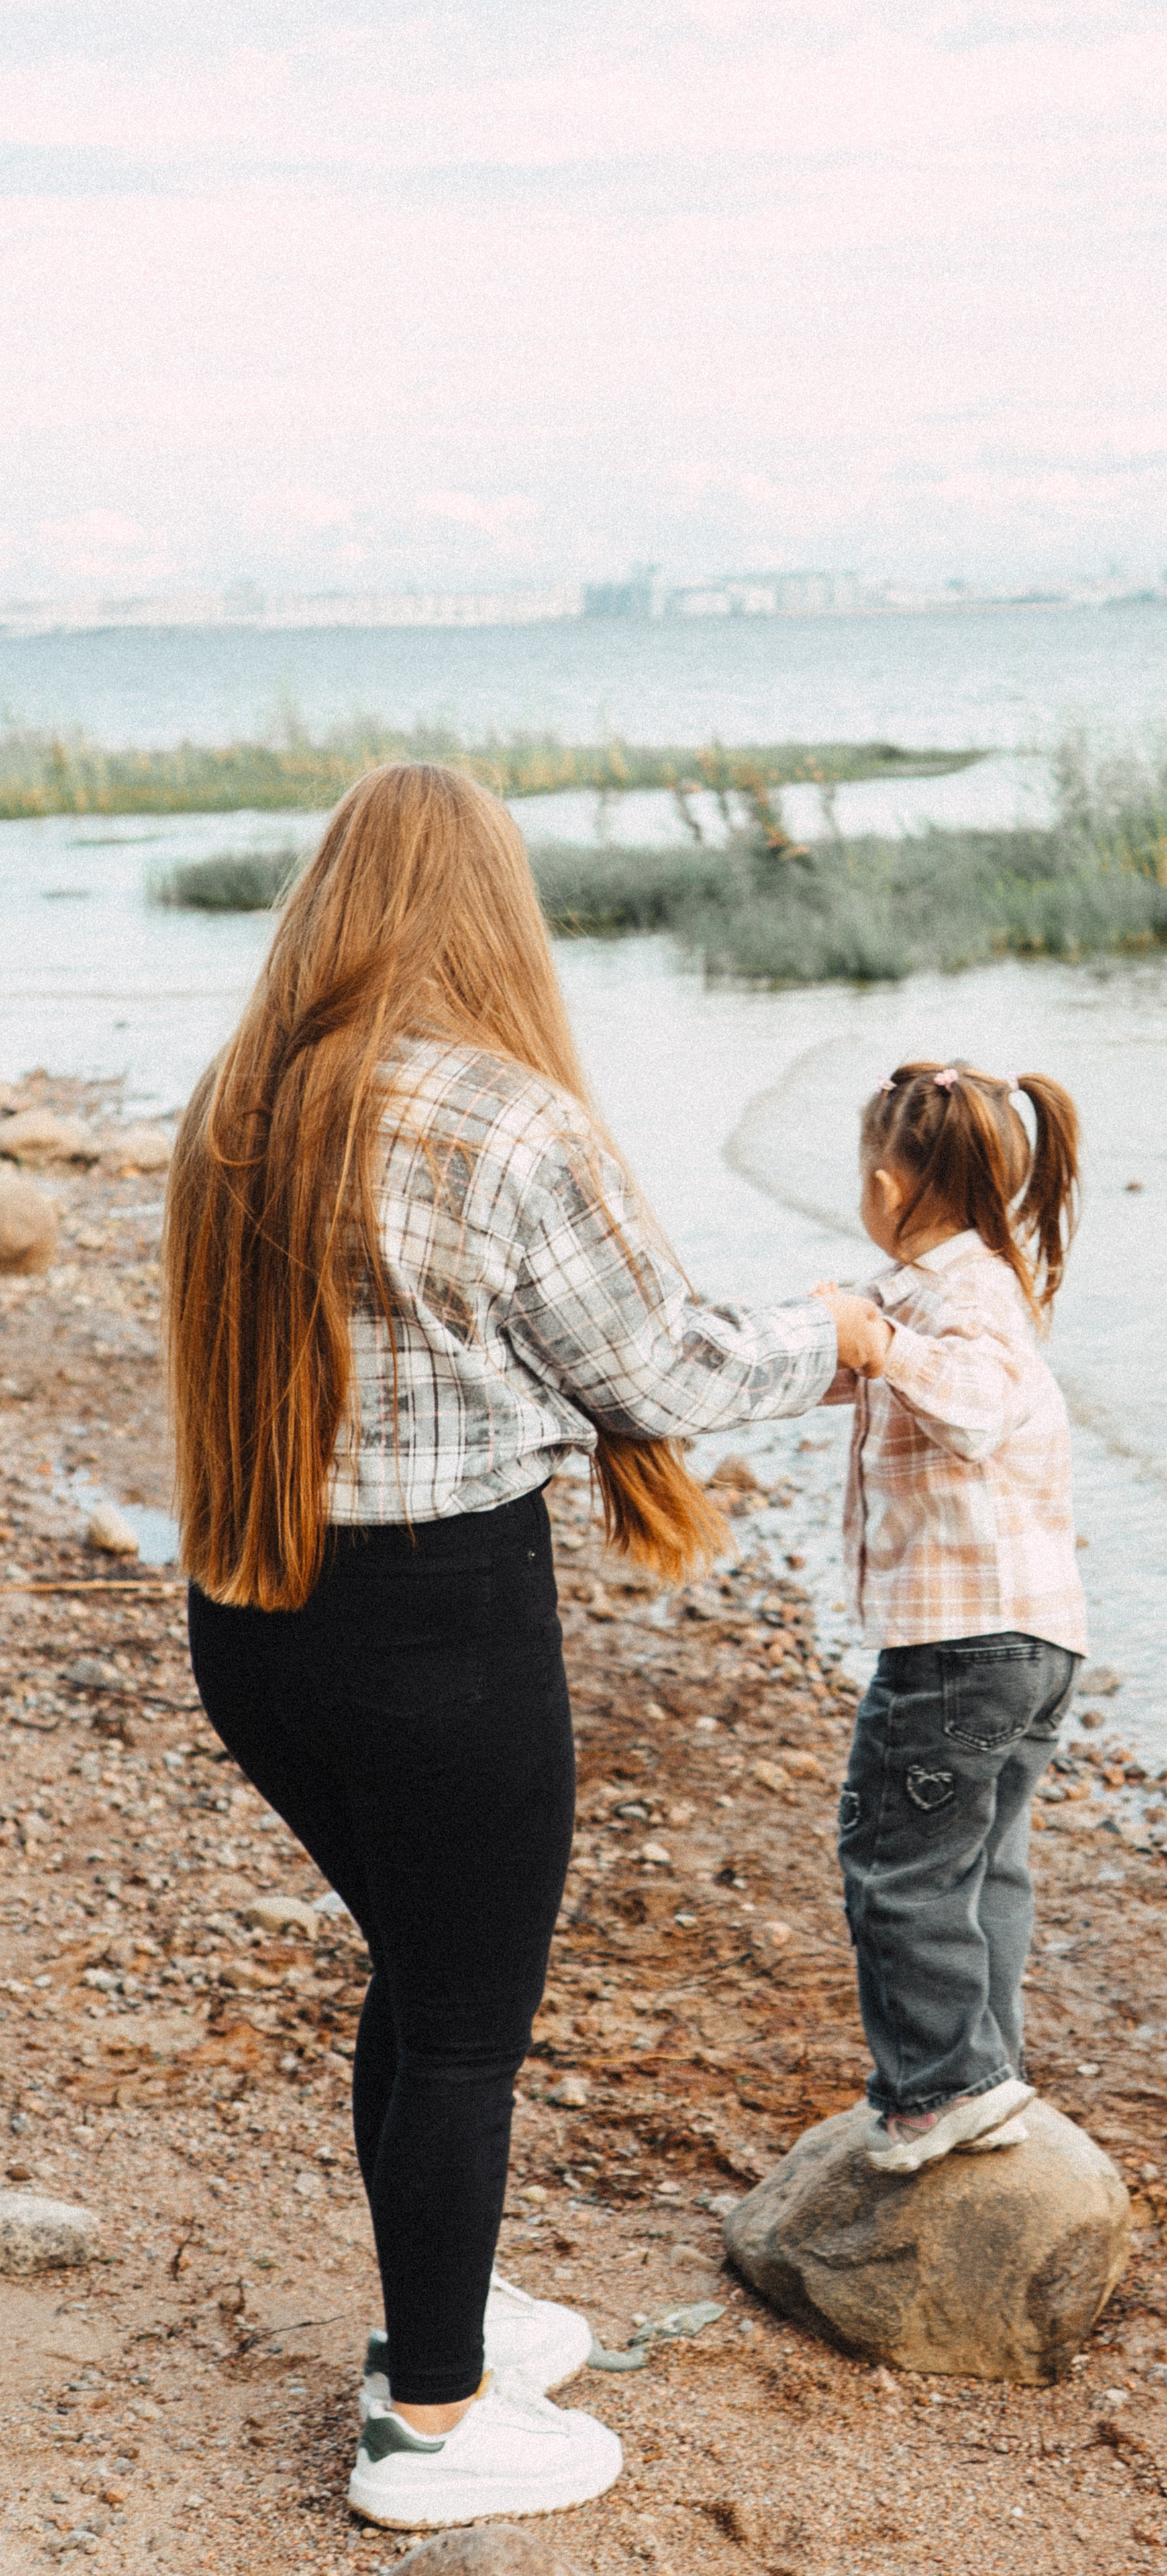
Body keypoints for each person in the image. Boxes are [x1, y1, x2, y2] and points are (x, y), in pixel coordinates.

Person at [162, 763, 879, 2532]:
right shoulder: (503, 1123)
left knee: (419, 1973)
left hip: (253, 1625)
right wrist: (838, 1333)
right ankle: (427, 2426)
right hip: (438, 1634)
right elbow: (665, 1374)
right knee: (467, 2020)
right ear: (492, 910)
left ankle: (444, 2318)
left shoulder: (237, 1103)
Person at [818, 1059, 1086, 2173]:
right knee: (980, 1867)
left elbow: (978, 1407)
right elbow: (838, 1363)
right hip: (1027, 1641)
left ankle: (941, 2086)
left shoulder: (960, 1300)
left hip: (962, 1648)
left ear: (887, 1183)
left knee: (897, 1862)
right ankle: (992, 2073)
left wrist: (882, 1347)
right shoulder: (952, 1288)